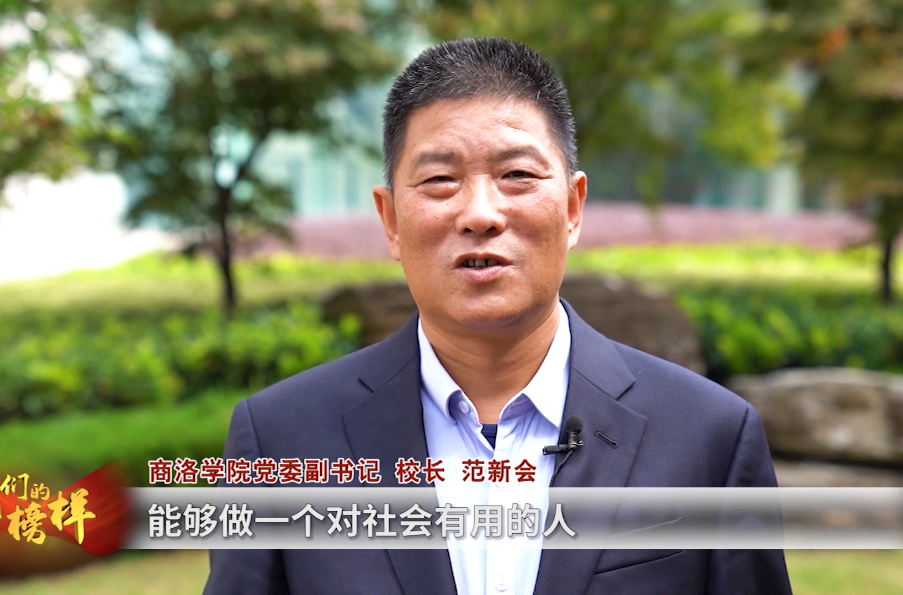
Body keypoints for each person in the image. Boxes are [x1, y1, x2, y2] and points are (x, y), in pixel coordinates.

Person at [205, 37, 792, 594]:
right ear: (391, 220)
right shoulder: (280, 441)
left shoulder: (708, 436)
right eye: (440, 180)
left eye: (517, 175)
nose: (481, 214)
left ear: (572, 207)